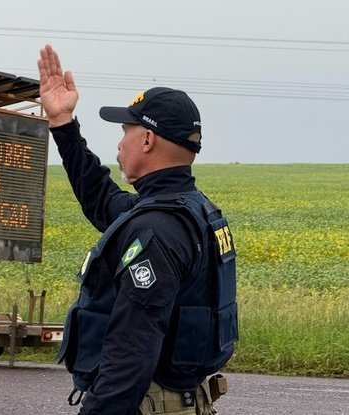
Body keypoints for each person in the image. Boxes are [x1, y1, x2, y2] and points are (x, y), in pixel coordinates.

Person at [37, 44, 238, 415]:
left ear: (147, 140)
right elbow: (101, 200)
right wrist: (62, 123)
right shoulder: (188, 210)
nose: (119, 141)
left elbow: (130, 354)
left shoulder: (157, 232)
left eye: (126, 129)